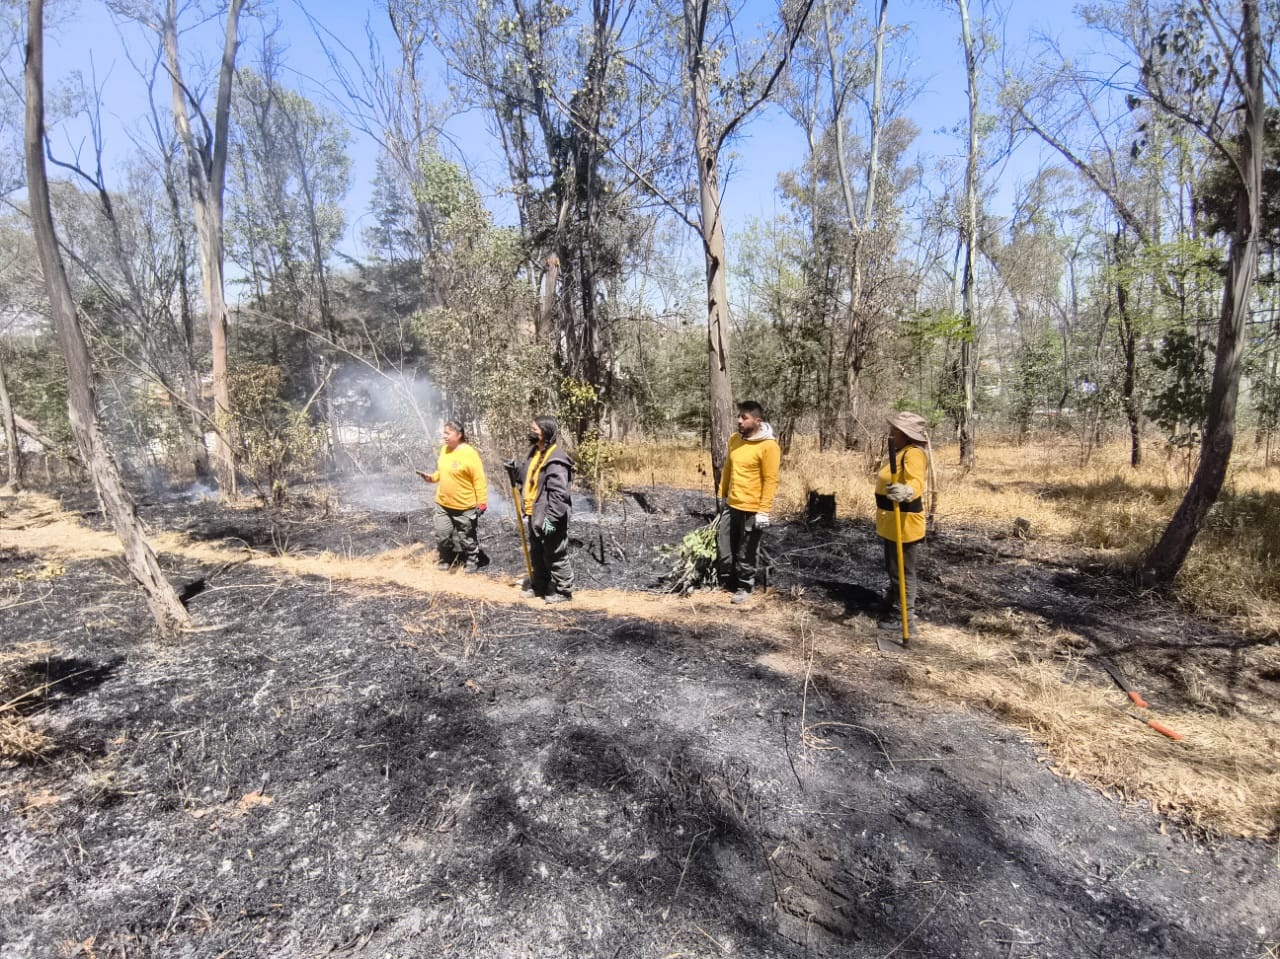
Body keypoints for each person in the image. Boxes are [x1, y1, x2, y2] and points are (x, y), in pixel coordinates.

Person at [717, 401, 781, 605]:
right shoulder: (735, 439)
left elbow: (770, 480)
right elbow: (728, 468)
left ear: (757, 421)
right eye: (739, 416)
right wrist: (722, 495)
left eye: (744, 418)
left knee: (747, 552)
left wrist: (763, 511)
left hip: (752, 510)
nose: (739, 421)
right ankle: (727, 581)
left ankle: (745, 587)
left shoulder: (769, 446)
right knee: (724, 547)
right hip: (732, 505)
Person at [875, 411, 933, 633]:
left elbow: (916, 482)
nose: (891, 434)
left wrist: (907, 490)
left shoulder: (913, 454)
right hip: (892, 521)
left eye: (895, 431)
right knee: (893, 568)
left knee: (903, 571)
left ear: (906, 434)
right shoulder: (899, 452)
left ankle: (905, 618)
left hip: (905, 523)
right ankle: (893, 603)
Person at [509, 416, 574, 604]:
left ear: (546, 432)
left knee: (555, 553)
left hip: (551, 518)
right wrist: (513, 470)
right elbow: (527, 477)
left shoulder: (556, 458)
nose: (531, 431)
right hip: (534, 515)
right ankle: (540, 585)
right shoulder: (535, 452)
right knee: (537, 553)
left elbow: (559, 494)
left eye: (535, 429)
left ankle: (563, 591)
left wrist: (551, 520)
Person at [417, 420, 488, 573]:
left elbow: (479, 480)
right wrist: (432, 478)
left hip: (465, 507)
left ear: (459, 435)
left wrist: (482, 502)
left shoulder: (470, 454)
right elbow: (442, 472)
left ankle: (472, 560)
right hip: (443, 504)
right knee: (442, 535)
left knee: (467, 538)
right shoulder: (444, 450)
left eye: (447, 433)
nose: (444, 436)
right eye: (444, 433)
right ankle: (446, 559)